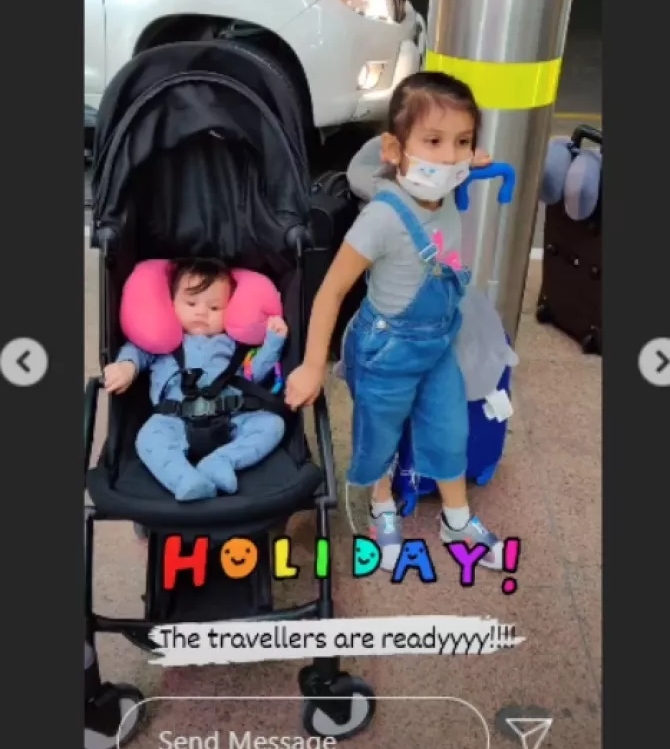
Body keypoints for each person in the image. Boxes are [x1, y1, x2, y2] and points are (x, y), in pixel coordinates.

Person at [285, 71, 504, 571]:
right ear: (394, 149)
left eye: (462, 141)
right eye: (433, 141)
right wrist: (314, 366)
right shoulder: (381, 218)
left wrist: (472, 159)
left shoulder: (447, 184)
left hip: (437, 345)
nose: (448, 157)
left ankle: (456, 520)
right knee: (379, 435)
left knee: (450, 431)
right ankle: (381, 506)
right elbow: (331, 291)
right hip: (384, 350)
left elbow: (453, 160)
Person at [103, 259, 287, 500]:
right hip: (173, 419)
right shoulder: (162, 341)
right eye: (191, 303)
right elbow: (136, 351)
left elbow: (255, 374)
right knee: (148, 438)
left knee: (272, 425)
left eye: (215, 308)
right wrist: (126, 366)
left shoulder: (236, 344)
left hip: (232, 416)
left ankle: (222, 461)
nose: (201, 312)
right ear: (171, 303)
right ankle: (185, 480)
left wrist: (273, 342)